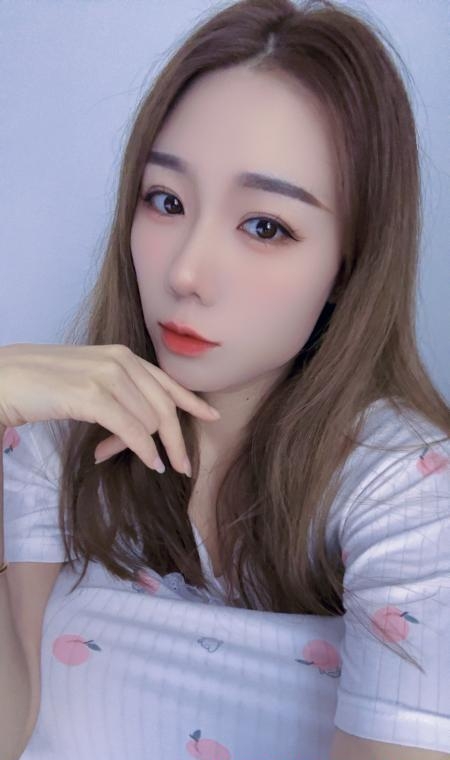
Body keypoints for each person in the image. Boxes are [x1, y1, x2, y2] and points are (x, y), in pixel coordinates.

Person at [1, 0, 449, 758]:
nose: (186, 271)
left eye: (265, 226)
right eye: (166, 201)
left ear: (349, 263)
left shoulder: (406, 490)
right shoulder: (53, 439)